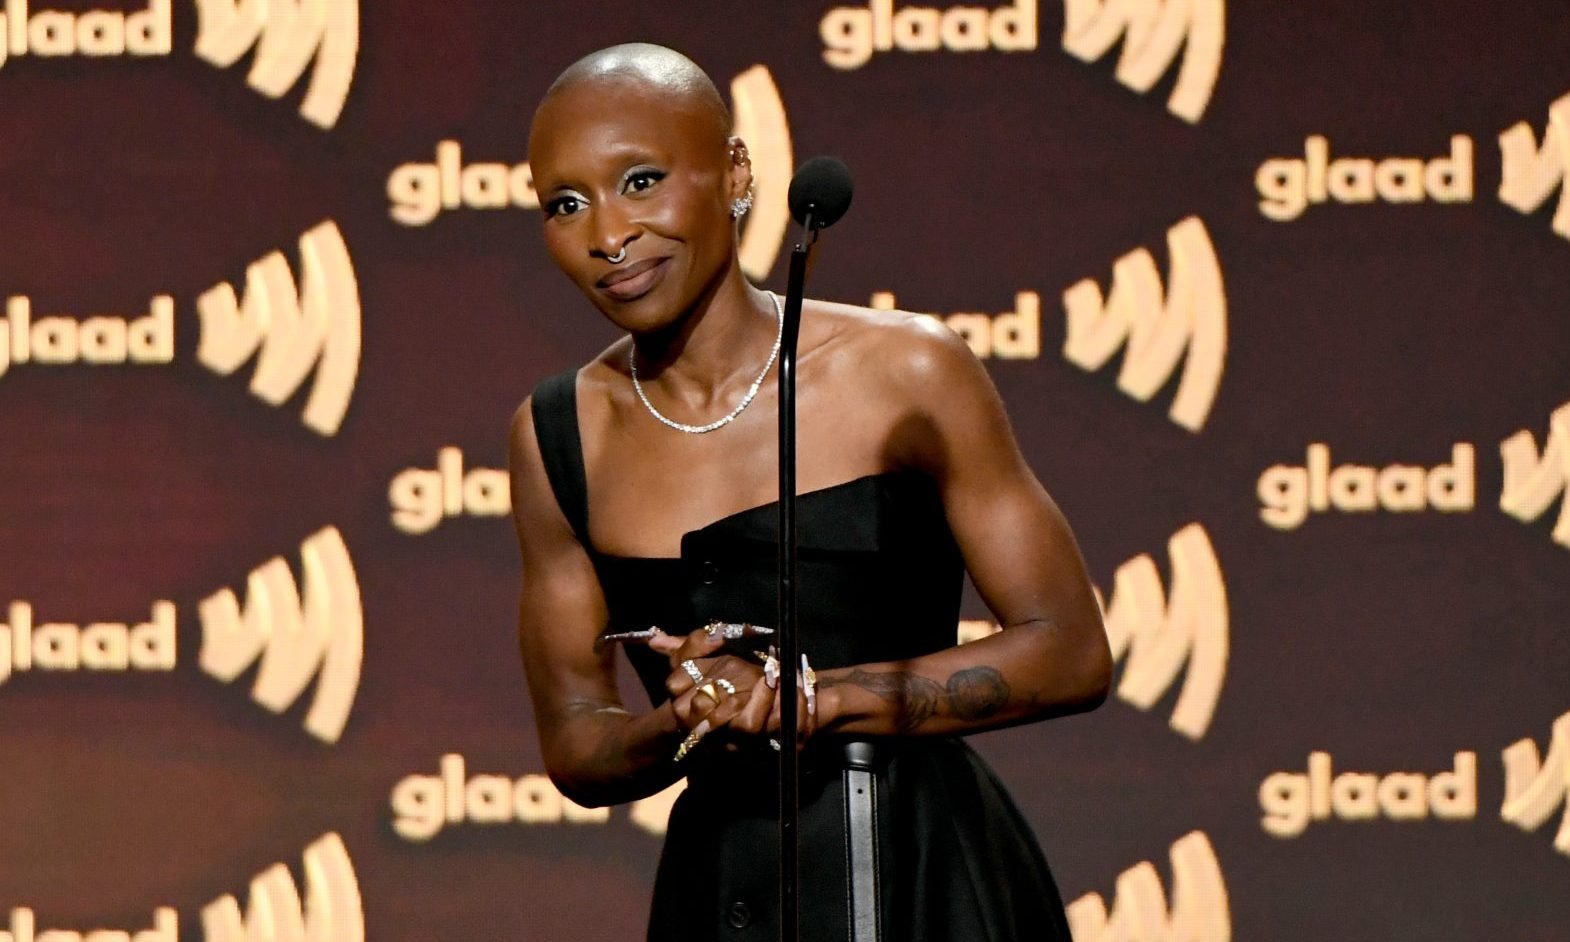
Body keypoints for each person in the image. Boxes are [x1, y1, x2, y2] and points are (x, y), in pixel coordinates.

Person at [509, 42, 1111, 942]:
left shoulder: (909, 370)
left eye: (641, 180)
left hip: (921, 878)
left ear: (736, 171)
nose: (607, 234)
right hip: (721, 894)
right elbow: (575, 740)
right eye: (567, 204)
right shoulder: (557, 433)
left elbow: (1070, 653)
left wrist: (813, 699)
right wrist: (680, 723)